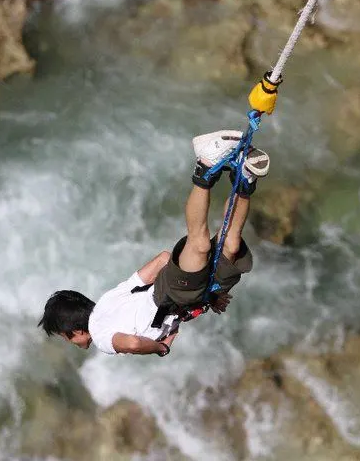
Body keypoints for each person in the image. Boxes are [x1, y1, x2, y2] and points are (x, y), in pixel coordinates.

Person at [37, 130, 270, 357]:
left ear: (75, 332)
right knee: (230, 243)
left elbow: (133, 343)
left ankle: (206, 165)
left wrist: (162, 348)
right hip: (185, 294)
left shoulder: (100, 336)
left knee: (201, 243)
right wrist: (201, 290)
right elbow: (163, 259)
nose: (72, 343)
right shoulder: (108, 299)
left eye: (66, 338)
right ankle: (244, 177)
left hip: (174, 293)